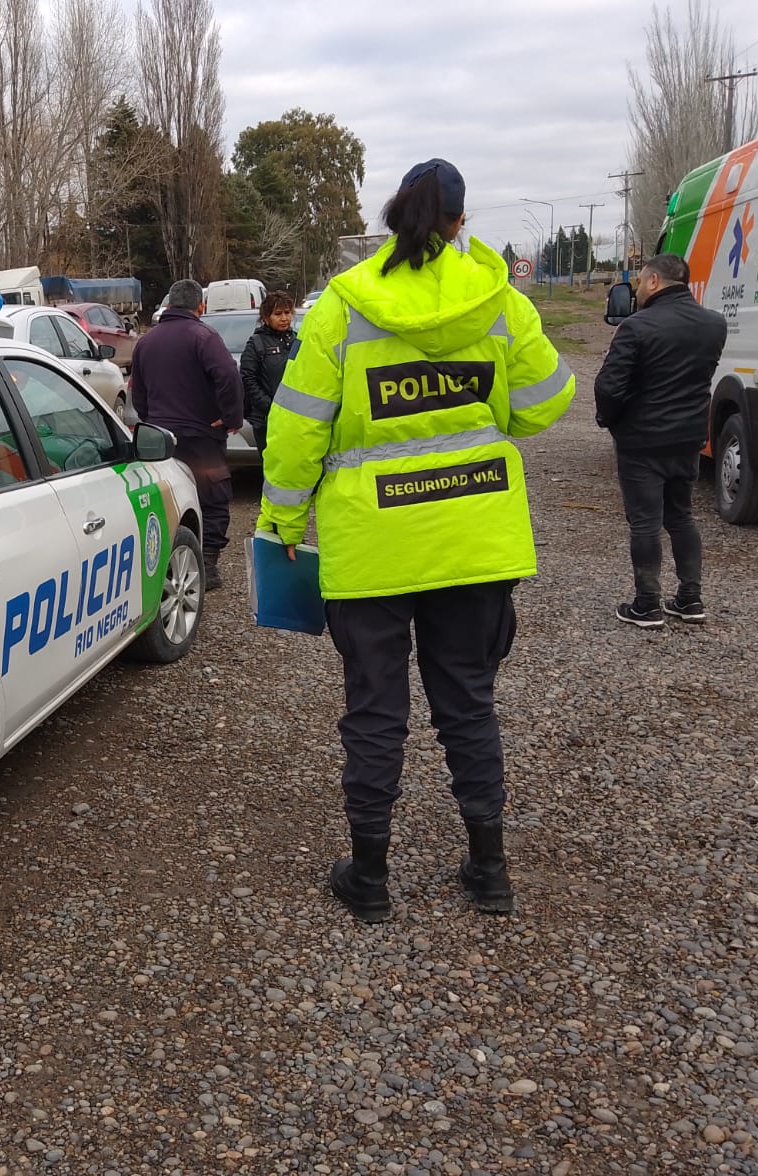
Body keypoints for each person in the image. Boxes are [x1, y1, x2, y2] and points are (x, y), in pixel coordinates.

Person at [257, 158, 574, 922]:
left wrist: (282, 522)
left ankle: (369, 879)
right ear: (459, 223)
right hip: (475, 540)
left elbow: (296, 430)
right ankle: (489, 870)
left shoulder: (340, 308)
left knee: (375, 710)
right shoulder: (500, 303)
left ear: (393, 216)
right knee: (468, 703)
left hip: (372, 546)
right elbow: (545, 405)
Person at [592, 254, 727, 628]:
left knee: (645, 522)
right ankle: (690, 599)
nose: (637, 287)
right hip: (689, 438)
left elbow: (609, 385)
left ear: (654, 281)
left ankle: (647, 604)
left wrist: (609, 420)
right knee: (682, 516)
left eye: (640, 280)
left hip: (642, 440)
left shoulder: (636, 328)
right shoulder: (714, 325)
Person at [130, 278, 245, 588]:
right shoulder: (204, 336)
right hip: (200, 437)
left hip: (160, 440)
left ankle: (167, 559)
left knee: (167, 498)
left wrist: (151, 419)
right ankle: (206, 563)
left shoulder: (146, 341)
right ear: (200, 306)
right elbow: (228, 377)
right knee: (213, 498)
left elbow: (136, 391)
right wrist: (231, 417)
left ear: (168, 305)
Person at [240, 291, 298, 455]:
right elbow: (247, 378)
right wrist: (270, 406)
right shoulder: (256, 343)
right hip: (266, 420)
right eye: (278, 314)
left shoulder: (297, 340)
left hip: (295, 418)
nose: (284, 318)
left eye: (287, 313)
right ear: (266, 317)